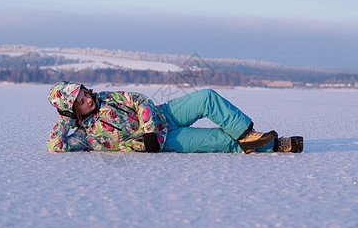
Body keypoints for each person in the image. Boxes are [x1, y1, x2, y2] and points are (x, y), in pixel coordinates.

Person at [47, 81, 303, 154]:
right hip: (168, 139)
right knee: (219, 141)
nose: (88, 100)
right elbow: (55, 146)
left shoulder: (106, 96)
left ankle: (247, 134)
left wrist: (148, 128)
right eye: (80, 102)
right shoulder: (84, 137)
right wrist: (66, 120)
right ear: (72, 110)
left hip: (164, 114)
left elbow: (140, 100)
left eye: (84, 94)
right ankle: (276, 145)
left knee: (206, 97)